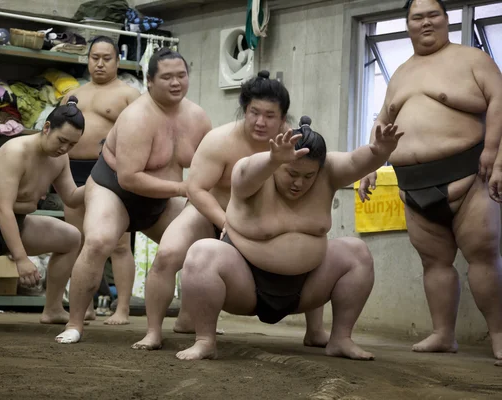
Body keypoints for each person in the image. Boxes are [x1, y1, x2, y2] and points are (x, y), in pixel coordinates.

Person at [175, 117, 404, 361]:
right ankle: (205, 340)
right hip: (245, 285)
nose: (298, 183)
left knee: (356, 252)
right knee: (202, 253)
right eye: (292, 173)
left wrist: (380, 152)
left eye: (308, 177)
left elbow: (355, 161)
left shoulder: (328, 172)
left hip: (306, 288)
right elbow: (245, 172)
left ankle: (341, 339)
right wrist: (273, 159)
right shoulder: (254, 171)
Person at [132, 71, 328, 351]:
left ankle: (316, 330)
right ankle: (153, 332)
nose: (261, 122)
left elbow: (319, 174)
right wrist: (226, 222)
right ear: (244, 110)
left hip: (266, 217)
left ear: (283, 117)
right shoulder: (220, 140)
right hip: (212, 209)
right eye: (254, 112)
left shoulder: (295, 143)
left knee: (305, 250)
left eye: (270, 115)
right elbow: (197, 188)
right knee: (168, 253)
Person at [358, 0, 502, 362]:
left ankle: (499, 335)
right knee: (433, 263)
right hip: (413, 185)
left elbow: (500, 100)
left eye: (432, 15)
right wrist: (369, 163)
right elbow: (382, 120)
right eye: (416, 17)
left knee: (483, 256)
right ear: (407, 24)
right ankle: (443, 334)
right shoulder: (401, 74)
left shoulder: (472, 60)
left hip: (470, 176)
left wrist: (496, 156)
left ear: (446, 19)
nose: (425, 22)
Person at [55, 48, 212, 344]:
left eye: (181, 76)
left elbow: (214, 163)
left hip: (160, 201)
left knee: (203, 243)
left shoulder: (197, 118)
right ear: (150, 81)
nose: (176, 82)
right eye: (167, 77)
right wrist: (182, 189)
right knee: (99, 241)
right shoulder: (137, 116)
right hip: (113, 190)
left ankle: (190, 318)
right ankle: (74, 323)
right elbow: (130, 177)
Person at [0, 97, 87, 336]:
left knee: (72, 237)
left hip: (18, 221)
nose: (64, 148)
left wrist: (99, 181)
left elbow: (72, 197)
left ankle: (52, 309)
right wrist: (21, 259)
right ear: (46, 128)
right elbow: (3, 208)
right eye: (62, 140)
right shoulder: (15, 151)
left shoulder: (60, 159)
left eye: (71, 145)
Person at [61, 36, 141, 325]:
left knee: (119, 243)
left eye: (106, 58)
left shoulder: (130, 95)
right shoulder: (73, 94)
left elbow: (142, 135)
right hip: (74, 169)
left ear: (117, 61)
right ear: (87, 59)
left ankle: (122, 308)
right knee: (77, 240)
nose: (100, 63)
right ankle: (86, 307)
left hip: (110, 171)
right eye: (95, 57)